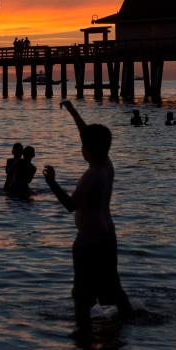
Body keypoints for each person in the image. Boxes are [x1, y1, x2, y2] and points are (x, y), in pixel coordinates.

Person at [42, 100, 135, 330]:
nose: (80, 148)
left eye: (83, 146)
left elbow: (70, 205)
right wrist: (73, 112)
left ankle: (82, 332)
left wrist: (52, 184)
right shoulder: (107, 165)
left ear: (89, 150)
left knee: (82, 293)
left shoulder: (92, 176)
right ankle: (130, 318)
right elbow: (87, 134)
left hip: (89, 239)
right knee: (112, 284)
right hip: (107, 235)